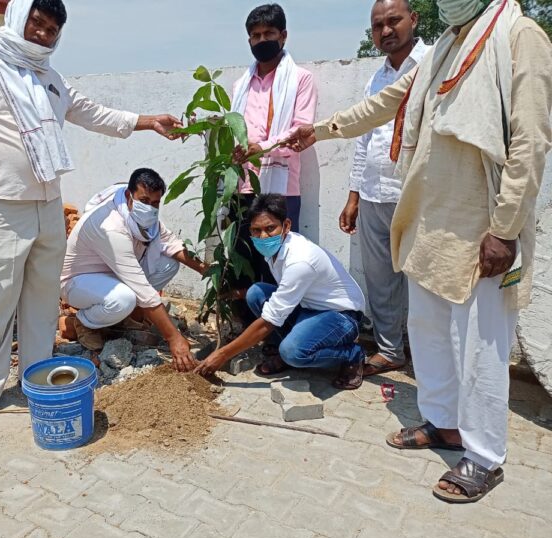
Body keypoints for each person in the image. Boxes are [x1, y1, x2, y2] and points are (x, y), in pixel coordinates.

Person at [287, 0, 552, 503]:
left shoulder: (521, 36)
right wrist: (320, 131)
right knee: (428, 332)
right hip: (430, 221)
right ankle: (445, 425)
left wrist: (505, 227)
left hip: (483, 227)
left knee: (480, 344)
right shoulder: (447, 46)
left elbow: (531, 141)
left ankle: (485, 456)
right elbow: (386, 103)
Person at [0, 0, 187, 427]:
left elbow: (91, 112)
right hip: (2, 201)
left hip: (48, 201)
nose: (43, 34)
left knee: (40, 295)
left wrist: (147, 121)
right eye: (38, 23)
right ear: (18, 17)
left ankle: (35, 373)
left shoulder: (48, 77)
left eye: (52, 29)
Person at [196, 194, 367, 390]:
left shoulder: (300, 260)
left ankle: (352, 354)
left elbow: (269, 321)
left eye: (270, 228)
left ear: (286, 226)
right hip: (308, 308)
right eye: (256, 230)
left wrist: (223, 354)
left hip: (341, 316)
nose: (263, 236)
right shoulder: (275, 251)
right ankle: (286, 348)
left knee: (293, 352)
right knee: (256, 293)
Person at [343, 0, 429, 376]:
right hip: (375, 194)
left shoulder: (433, 64)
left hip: (419, 196)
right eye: (378, 25)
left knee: (428, 282)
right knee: (380, 281)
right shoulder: (376, 77)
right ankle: (390, 351)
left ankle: (432, 359)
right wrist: (353, 195)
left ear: (414, 19)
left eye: (394, 21)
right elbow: (364, 139)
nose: (386, 30)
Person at [61, 169, 206, 367]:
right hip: (79, 281)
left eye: (155, 203)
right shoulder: (110, 226)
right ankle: (84, 321)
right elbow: (141, 288)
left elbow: (172, 243)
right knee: (123, 299)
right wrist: (174, 338)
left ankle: (120, 318)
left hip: (115, 275)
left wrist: (206, 270)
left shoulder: (144, 218)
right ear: (129, 196)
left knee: (169, 264)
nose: (150, 208)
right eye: (144, 201)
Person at [229, 3, 318, 288]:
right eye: (255, 36)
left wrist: (263, 147)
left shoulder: (300, 80)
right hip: (243, 185)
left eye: (268, 33)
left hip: (281, 188)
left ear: (283, 35)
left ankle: (278, 328)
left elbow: (299, 132)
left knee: (280, 261)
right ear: (249, 41)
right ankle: (247, 325)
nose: (262, 40)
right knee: (243, 259)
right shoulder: (240, 85)